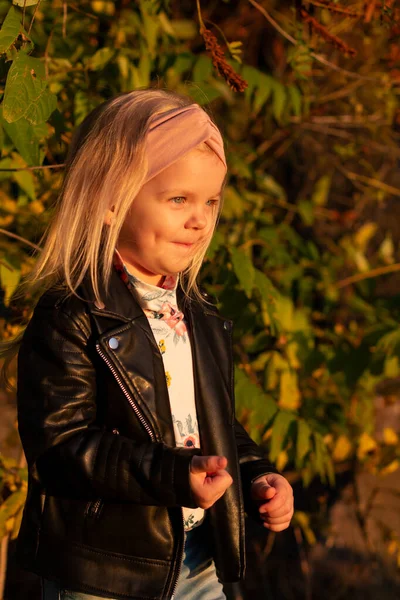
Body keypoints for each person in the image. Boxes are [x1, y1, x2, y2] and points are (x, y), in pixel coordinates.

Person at [7, 88, 294, 600]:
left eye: (211, 201)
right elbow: (61, 447)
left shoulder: (197, 314)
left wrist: (255, 476)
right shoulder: (74, 315)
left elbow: (214, 423)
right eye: (178, 199)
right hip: (104, 573)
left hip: (201, 561)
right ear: (111, 201)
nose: (200, 218)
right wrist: (174, 475)